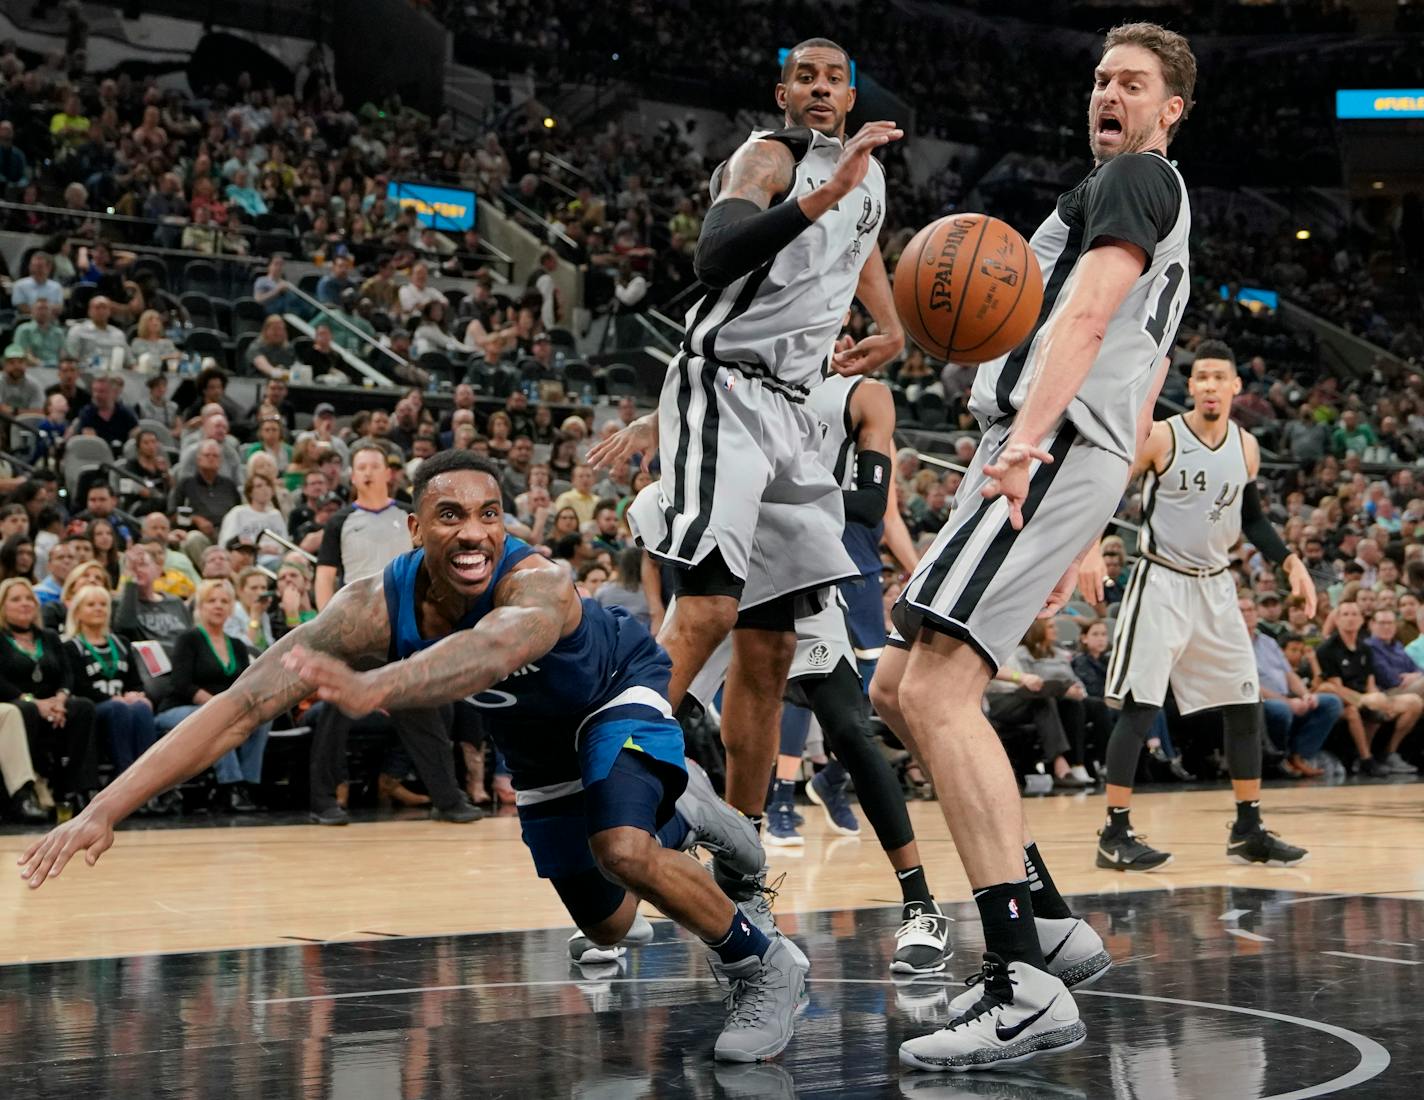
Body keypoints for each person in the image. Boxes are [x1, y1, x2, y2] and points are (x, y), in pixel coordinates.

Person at [19, 451, 805, 1064]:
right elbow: (240, 705)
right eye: (451, 515)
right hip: (535, 747)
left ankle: (762, 966)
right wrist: (102, 809)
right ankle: (688, 807)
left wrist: (377, 686)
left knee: (620, 846)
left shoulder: (540, 586)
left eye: (491, 515)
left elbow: (485, 655)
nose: (474, 532)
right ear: (414, 527)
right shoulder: (366, 605)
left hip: (615, 695)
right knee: (610, 926)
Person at [874, 23, 1195, 1071]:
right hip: (1058, 453)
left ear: (1169, 110)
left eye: (1132, 82)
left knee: (933, 695)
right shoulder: (1120, 189)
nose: (1109, 92)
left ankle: (1021, 981)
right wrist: (1091, 516)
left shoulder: (1138, 179)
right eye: (1101, 78)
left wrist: (1024, 449)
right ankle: (1048, 920)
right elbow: (1147, 378)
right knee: (892, 683)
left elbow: (1094, 316)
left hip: (1041, 446)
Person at [621, 44, 898, 967]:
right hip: (722, 389)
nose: (820, 88)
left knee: (772, 647)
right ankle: (620, 804)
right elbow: (711, 257)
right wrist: (817, 193)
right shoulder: (766, 158)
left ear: (852, 96)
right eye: (804, 77)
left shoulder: (869, 178)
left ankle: (740, 861)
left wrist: (892, 321)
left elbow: (859, 252)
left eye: (834, 78)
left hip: (791, 414)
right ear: (784, 94)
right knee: (703, 606)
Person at [1094, 343, 1313, 870]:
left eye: (1220, 377)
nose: (1211, 385)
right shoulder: (1162, 437)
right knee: (1140, 704)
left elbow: (1255, 518)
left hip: (1216, 586)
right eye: (1202, 378)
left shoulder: (1247, 446)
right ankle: (1114, 833)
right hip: (1160, 580)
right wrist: (1086, 550)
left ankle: (1248, 826)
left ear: (1237, 386)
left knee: (1245, 704)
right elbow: (1104, 492)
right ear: (1190, 387)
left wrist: (1290, 563)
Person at [154, 579, 268, 812]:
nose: (218, 606)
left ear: (231, 608)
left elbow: (242, 684)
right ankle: (230, 785)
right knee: (215, 718)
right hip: (180, 709)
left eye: (224, 601)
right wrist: (218, 705)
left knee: (263, 715)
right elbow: (180, 684)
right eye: (211, 601)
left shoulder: (236, 645)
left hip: (222, 710)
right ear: (200, 606)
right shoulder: (189, 639)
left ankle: (248, 784)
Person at [62, 584, 172, 808]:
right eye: (91, 605)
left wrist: (138, 694)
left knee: (142, 706)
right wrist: (113, 699)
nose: (98, 609)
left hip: (123, 704)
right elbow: (77, 686)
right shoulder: (71, 646)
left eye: (103, 604)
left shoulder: (121, 642)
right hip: (96, 708)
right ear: (77, 612)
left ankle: (151, 785)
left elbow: (134, 680)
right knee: (119, 708)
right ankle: (127, 783)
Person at [0, 577, 98, 814]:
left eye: (29, 599)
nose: (25, 604)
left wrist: (61, 699)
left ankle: (74, 788)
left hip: (53, 705)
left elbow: (67, 674)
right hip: (15, 702)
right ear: (2, 607)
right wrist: (33, 701)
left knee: (83, 707)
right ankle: (32, 787)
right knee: (26, 711)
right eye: (16, 599)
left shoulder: (49, 637)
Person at [1316, 600, 1422, 776]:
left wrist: (1379, 700)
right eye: (1345, 614)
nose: (1350, 619)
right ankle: (1365, 759)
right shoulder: (1328, 649)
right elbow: (1334, 687)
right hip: (1343, 697)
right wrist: (1366, 699)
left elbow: (1371, 684)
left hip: (1366, 696)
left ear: (1361, 620)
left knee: (1413, 702)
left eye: (1354, 614)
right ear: (1337, 620)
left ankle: (1389, 753)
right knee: (1366, 705)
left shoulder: (1364, 648)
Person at [1246, 597, 1343, 778]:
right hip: (1257, 701)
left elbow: (1289, 674)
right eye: (1242, 611)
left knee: (1331, 702)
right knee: (1282, 709)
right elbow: (1247, 685)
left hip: (1287, 696)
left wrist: (1306, 695)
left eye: (1250, 610)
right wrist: (1288, 701)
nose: (1247, 615)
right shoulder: (1233, 645)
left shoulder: (1269, 642)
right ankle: (1278, 759)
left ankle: (1299, 756)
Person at [73, 372, 138, 449]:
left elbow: (136, 437)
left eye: (101, 391)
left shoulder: (126, 413)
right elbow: (91, 443)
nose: (96, 395)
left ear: (113, 392)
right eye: (95, 391)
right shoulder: (87, 413)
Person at [64, 296, 132, 368]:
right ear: (89, 311)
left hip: (114, 374)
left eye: (104, 307)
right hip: (86, 373)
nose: (101, 311)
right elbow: (70, 358)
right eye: (97, 307)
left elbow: (129, 361)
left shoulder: (119, 334)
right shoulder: (78, 331)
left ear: (109, 311)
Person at [14, 297, 66, 368]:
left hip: (57, 369)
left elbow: (63, 354)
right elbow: (23, 354)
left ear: (51, 312)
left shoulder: (58, 332)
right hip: (33, 370)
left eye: (46, 309)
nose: (43, 312)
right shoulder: (24, 330)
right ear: (32, 311)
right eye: (40, 308)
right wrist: (42, 364)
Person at [0, 344, 43, 414]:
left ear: (26, 364)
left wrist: (14, 411)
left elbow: (38, 412)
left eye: (20, 362)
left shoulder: (34, 385)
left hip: (25, 423)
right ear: (4, 365)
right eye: (12, 362)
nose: (17, 366)